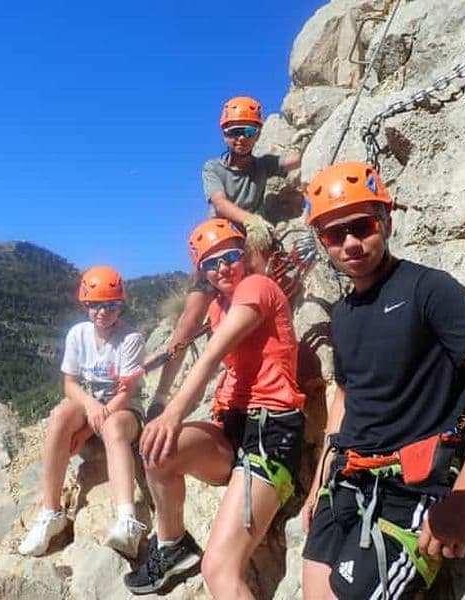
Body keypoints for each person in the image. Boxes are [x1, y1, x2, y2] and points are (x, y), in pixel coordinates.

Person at [300, 162, 465, 599]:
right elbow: (346, 399)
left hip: (408, 491)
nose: (351, 243)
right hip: (347, 484)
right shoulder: (344, 315)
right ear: (322, 242)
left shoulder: (429, 290)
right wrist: (319, 484)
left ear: (386, 220)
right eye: (335, 234)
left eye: (363, 226)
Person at [124, 218, 306, 597]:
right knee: (157, 452)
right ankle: (172, 544)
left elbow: (210, 356)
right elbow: (193, 341)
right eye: (211, 262)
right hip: (232, 428)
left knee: (220, 569)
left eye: (230, 256)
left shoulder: (257, 287)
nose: (223, 267)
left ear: (244, 256)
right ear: (202, 272)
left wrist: (171, 411)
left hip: (270, 435)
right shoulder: (219, 306)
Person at [149, 95, 302, 417]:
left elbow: (291, 162)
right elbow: (219, 203)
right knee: (189, 322)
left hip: (244, 249)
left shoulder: (262, 165)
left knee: (261, 279)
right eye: (234, 131)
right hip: (216, 249)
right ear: (224, 134)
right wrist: (250, 219)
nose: (241, 138)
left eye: (248, 131)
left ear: (258, 133)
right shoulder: (213, 167)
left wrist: (301, 143)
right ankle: (162, 395)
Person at [18, 265, 147, 558]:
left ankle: (127, 519)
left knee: (113, 428)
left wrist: (90, 428)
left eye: (111, 305)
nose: (103, 312)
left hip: (122, 408)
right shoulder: (78, 334)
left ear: (121, 305)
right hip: (94, 405)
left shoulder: (130, 340)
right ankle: (51, 512)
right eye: (95, 305)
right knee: (60, 417)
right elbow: (70, 384)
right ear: (86, 305)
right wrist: (89, 406)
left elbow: (126, 393)